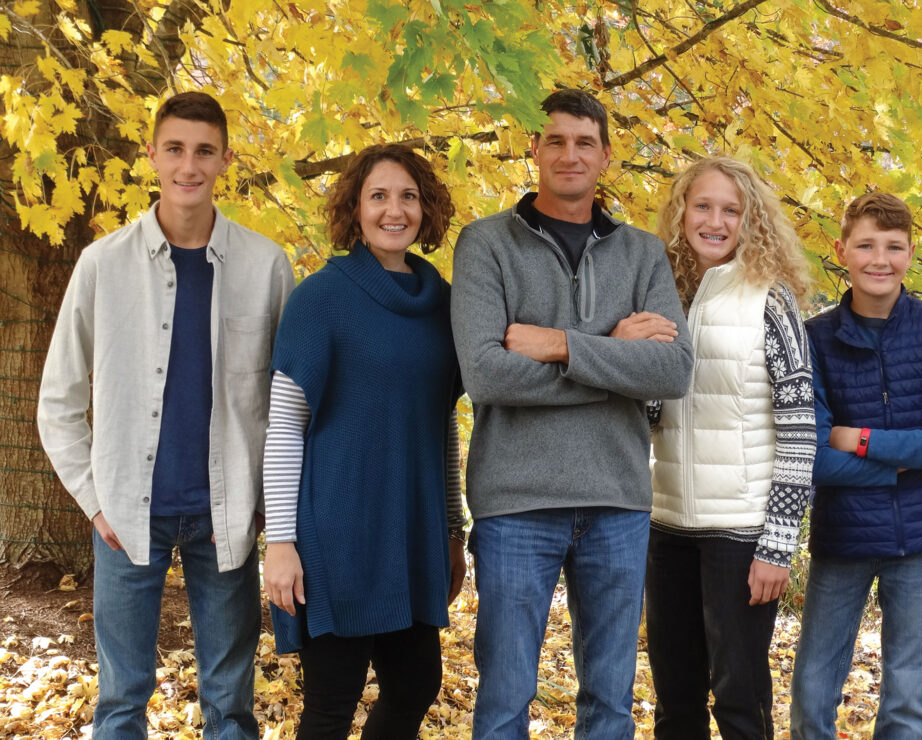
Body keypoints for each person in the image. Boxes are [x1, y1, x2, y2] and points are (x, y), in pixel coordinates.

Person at [37, 92, 294, 739]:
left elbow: (286, 401)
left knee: (230, 701)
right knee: (121, 699)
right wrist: (96, 504)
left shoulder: (265, 266)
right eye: (175, 148)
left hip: (226, 517)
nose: (189, 165)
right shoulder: (103, 264)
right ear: (151, 155)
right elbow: (58, 401)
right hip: (126, 513)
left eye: (204, 150)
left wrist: (267, 502)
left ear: (225, 159)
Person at [450, 88, 693, 739]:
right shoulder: (485, 245)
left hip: (617, 500)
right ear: (532, 147)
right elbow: (488, 375)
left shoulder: (642, 254)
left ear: (607, 155)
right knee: (505, 699)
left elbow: (672, 370)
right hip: (516, 501)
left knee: (609, 703)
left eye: (585, 142)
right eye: (554, 139)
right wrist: (613, 356)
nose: (569, 154)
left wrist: (559, 345)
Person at [261, 143, 466, 739]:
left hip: (413, 533)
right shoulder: (320, 299)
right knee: (331, 703)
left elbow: (442, 425)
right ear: (355, 208)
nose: (393, 210)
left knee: (415, 684)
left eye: (408, 196)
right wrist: (279, 542)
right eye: (378, 196)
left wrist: (454, 529)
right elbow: (285, 426)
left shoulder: (443, 305)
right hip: (337, 535)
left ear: (426, 209)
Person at [790, 192, 922, 739]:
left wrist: (863, 440)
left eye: (894, 247)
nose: (881, 259)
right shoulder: (816, 338)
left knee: (905, 700)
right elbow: (816, 457)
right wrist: (910, 457)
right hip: (845, 536)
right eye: (866, 245)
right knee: (811, 694)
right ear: (842, 251)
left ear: (911, 252)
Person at [646, 156, 816, 739]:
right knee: (675, 704)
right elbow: (648, 410)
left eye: (730, 210)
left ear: (750, 221)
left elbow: (800, 431)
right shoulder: (659, 290)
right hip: (665, 525)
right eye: (702, 206)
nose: (714, 221)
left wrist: (778, 545)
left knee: (740, 703)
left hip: (740, 535)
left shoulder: (771, 301)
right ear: (682, 212)